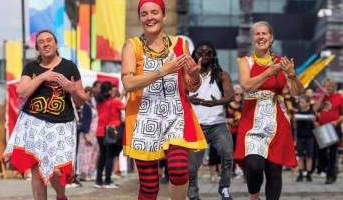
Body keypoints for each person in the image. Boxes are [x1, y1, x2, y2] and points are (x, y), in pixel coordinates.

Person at [121, 0, 207, 199]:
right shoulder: (131, 45)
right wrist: (163, 71)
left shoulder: (180, 44)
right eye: (144, 14)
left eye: (154, 12)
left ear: (164, 16)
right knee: (149, 187)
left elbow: (190, 86)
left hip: (175, 115)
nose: (150, 17)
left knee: (178, 170)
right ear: (140, 18)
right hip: (143, 119)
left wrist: (194, 76)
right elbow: (128, 83)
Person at [3, 30, 87, 200]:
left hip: (61, 124)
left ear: (56, 44)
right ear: (37, 47)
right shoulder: (31, 67)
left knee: (57, 170)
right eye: (41, 42)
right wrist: (43, 76)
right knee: (36, 168)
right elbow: (21, 92)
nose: (46, 44)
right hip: (34, 122)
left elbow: (81, 100)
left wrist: (73, 90)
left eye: (49, 40)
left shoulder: (69, 66)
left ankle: (61, 195)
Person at [234, 21, 303, 200]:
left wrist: (293, 76)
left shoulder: (282, 62)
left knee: (274, 172)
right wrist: (269, 72)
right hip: (252, 122)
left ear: (271, 38)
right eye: (257, 34)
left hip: (277, 122)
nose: (261, 37)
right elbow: (246, 86)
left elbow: (297, 92)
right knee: (254, 166)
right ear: (252, 38)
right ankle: (254, 195)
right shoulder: (244, 61)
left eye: (265, 34)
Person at [188, 41, 234, 200]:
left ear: (213, 55)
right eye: (201, 53)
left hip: (217, 124)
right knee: (192, 166)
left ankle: (224, 188)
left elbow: (230, 96)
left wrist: (216, 102)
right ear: (195, 55)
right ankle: (193, 194)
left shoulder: (221, 75)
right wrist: (188, 99)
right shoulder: (188, 74)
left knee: (227, 154)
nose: (204, 56)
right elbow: (179, 94)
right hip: (195, 125)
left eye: (208, 53)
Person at [314, 78, 343, 184]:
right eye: (327, 86)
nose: (328, 88)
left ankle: (330, 176)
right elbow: (315, 109)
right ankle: (331, 170)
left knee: (332, 152)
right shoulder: (321, 97)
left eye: (330, 86)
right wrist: (322, 96)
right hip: (322, 128)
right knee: (321, 152)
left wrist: (337, 121)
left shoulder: (339, 97)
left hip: (334, 127)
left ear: (334, 87)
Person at [94, 81, 122, 189]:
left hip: (99, 131)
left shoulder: (99, 101)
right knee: (110, 156)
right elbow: (125, 106)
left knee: (102, 156)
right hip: (109, 130)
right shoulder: (114, 101)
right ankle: (108, 181)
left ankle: (98, 180)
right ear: (110, 91)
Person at [77, 86, 99, 181]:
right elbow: (85, 120)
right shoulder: (84, 105)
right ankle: (83, 173)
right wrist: (86, 135)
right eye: (89, 94)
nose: (90, 96)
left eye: (91, 94)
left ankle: (90, 172)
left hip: (93, 132)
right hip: (87, 133)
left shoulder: (91, 104)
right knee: (85, 154)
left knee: (93, 154)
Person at [295, 95, 315, 182]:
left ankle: (308, 173)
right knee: (300, 156)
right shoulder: (298, 111)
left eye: (302, 102)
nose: (300, 104)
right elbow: (295, 121)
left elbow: (313, 121)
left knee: (309, 156)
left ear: (308, 103)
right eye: (300, 102)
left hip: (309, 136)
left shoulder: (311, 111)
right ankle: (300, 173)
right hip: (300, 136)